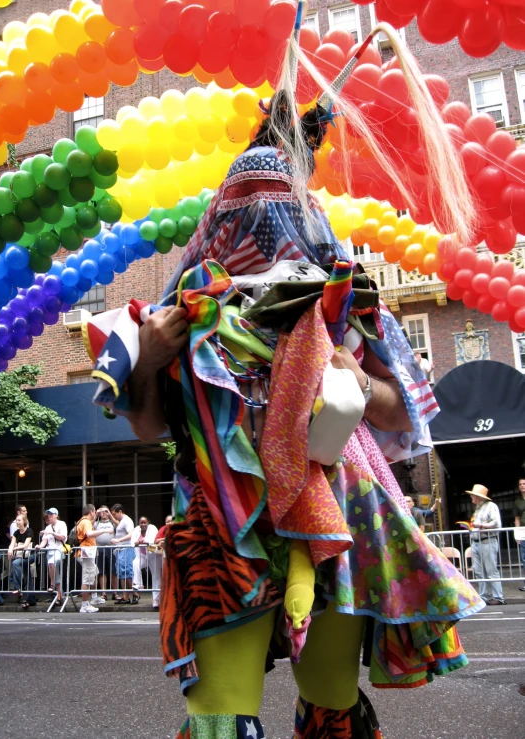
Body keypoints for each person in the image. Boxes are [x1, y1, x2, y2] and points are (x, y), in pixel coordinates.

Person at [83, 12, 483, 738]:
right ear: (220, 219)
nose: (262, 225)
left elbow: (401, 415)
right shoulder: (182, 311)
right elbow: (147, 422)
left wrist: (356, 383)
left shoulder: (341, 300)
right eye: (245, 210)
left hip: (337, 520)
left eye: (276, 208)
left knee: (329, 697)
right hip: (219, 528)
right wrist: (154, 355)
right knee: (218, 712)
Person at [468, 484, 505, 606]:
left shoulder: (491, 506)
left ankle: (498, 597)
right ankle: (483, 596)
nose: (471, 497)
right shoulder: (478, 508)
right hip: (477, 542)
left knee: (491, 570)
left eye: (472, 495)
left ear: (478, 496)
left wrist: (482, 526)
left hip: (487, 541)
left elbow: (496, 522)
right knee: (479, 571)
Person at [75, 504, 107, 613]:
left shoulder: (83, 521)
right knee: (87, 577)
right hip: (86, 552)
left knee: (93, 572)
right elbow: (89, 534)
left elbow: (89, 529)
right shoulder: (86, 522)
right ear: (91, 512)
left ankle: (94, 597)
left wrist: (96, 515)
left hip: (86, 552)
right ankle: (84, 605)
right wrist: (104, 531)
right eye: (94, 512)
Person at [35, 507, 67, 604]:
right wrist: (39, 546)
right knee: (52, 567)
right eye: (49, 514)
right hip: (50, 551)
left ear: (56, 515)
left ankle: (52, 584)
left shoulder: (62, 524)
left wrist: (53, 533)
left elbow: (63, 537)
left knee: (53, 562)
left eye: (51, 514)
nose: (50, 516)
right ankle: (59, 596)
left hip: (58, 550)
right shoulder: (47, 527)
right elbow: (45, 540)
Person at [8, 514, 36, 609]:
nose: (17, 522)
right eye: (16, 520)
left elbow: (26, 545)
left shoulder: (29, 531)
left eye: (19, 520)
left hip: (30, 556)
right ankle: (30, 599)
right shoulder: (16, 533)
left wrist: (14, 548)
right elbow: (12, 543)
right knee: (28, 576)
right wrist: (10, 549)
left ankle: (17, 587)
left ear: (24, 521)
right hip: (21, 556)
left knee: (16, 563)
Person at [131, 516, 160, 607]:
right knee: (136, 563)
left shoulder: (153, 528)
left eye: (145, 523)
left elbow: (153, 542)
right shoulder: (136, 530)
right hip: (142, 555)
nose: (143, 524)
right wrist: (137, 543)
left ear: (148, 523)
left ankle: (156, 600)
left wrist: (144, 542)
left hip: (153, 553)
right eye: (141, 523)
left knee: (156, 577)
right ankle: (138, 583)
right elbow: (132, 543)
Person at [110, 503, 134, 605]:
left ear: (120, 512)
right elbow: (117, 524)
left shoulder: (127, 520)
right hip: (120, 549)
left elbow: (131, 534)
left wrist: (118, 540)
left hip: (125, 549)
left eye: (115, 514)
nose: (114, 516)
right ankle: (125, 596)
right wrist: (110, 516)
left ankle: (135, 593)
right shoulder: (121, 521)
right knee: (121, 573)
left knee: (127, 572)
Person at [94, 506, 116, 602]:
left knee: (113, 571)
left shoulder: (112, 522)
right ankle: (104, 593)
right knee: (101, 572)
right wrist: (96, 515)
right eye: (101, 511)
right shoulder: (97, 523)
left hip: (112, 548)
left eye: (105, 511)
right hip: (100, 548)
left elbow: (119, 525)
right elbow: (88, 526)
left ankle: (115, 593)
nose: (103, 513)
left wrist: (110, 515)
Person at [512, 478, 525, 592]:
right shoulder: (518, 502)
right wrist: (517, 534)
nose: (522, 486)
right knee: (524, 558)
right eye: (520, 484)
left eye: (524, 484)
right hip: (523, 531)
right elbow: (517, 518)